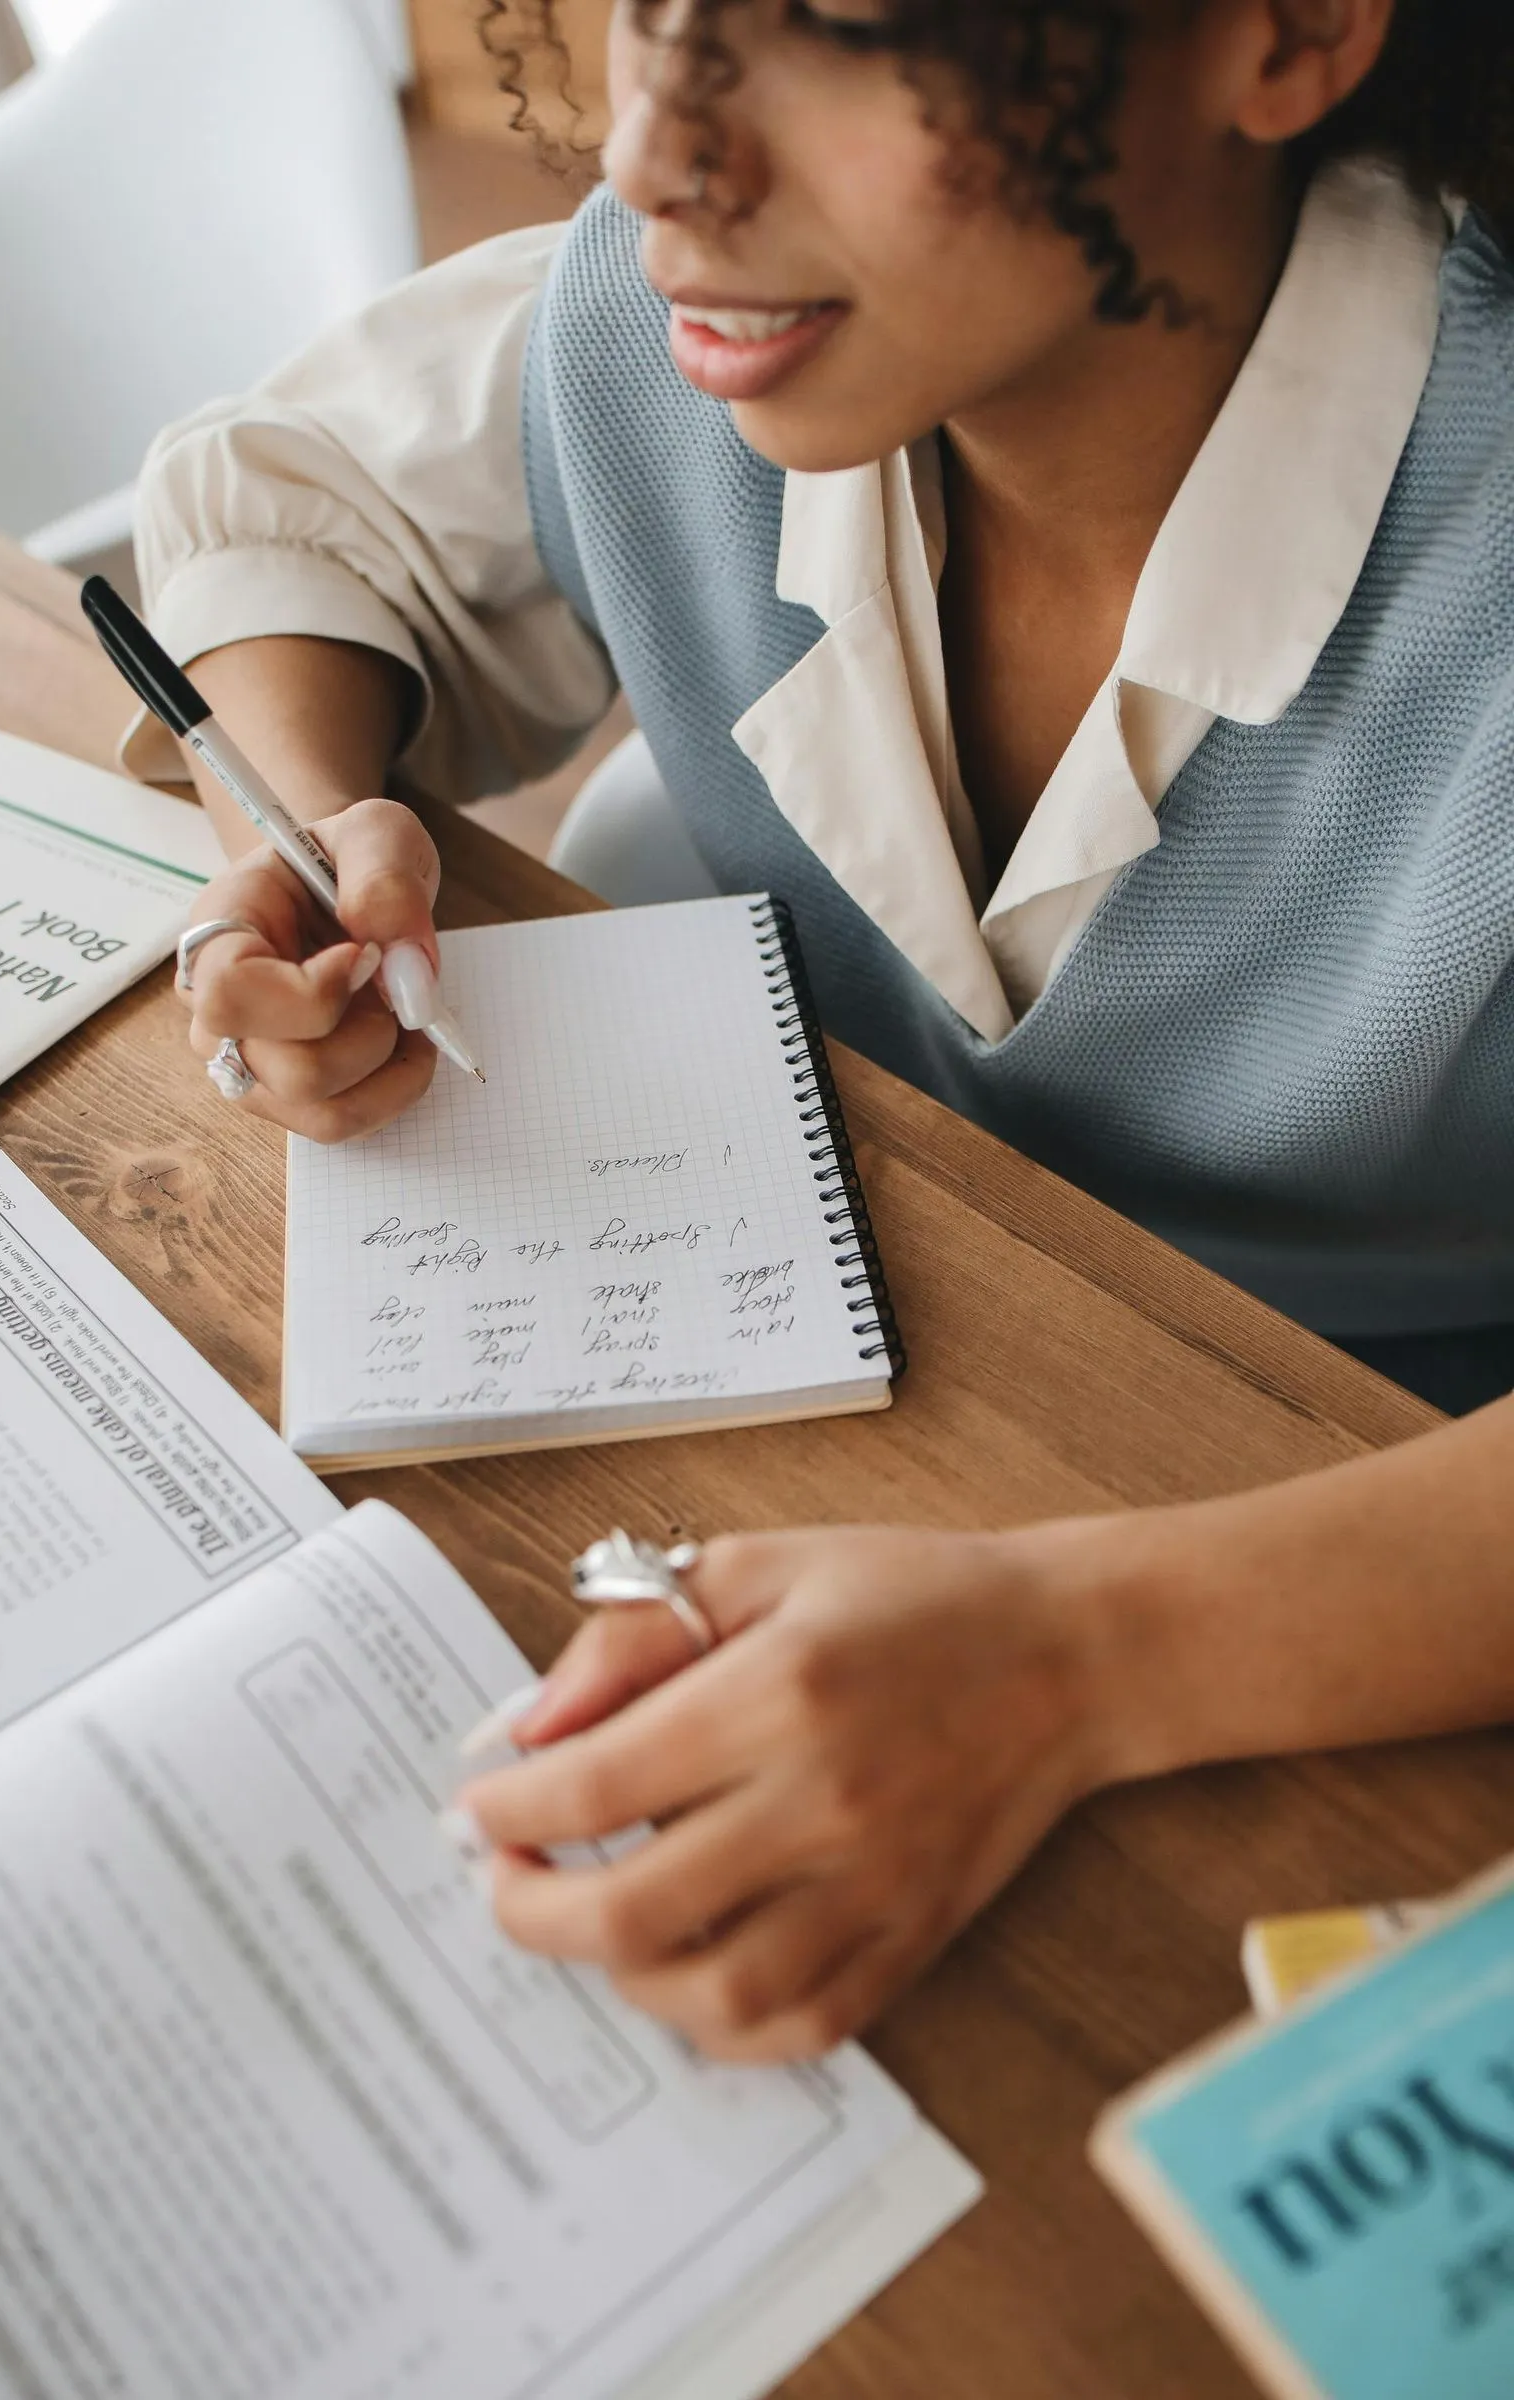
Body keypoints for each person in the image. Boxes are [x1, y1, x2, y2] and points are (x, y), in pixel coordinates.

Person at [138, 0, 1514, 2062]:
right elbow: (295, 511)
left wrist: (1069, 1658)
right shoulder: (679, 330)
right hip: (861, 1421)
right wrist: (321, 809)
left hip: (1357, 1598)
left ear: (1287, 34)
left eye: (847, 33)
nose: (651, 164)